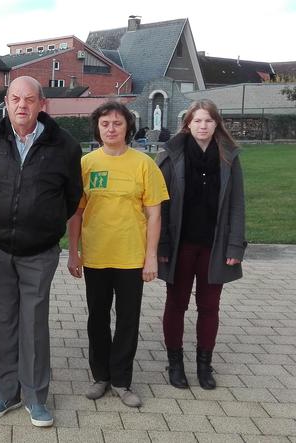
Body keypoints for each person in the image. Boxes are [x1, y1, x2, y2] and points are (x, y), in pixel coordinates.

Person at [0, 76, 82, 427]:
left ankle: (35, 397)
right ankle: (5, 392)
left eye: (30, 99)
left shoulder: (64, 145)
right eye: (15, 98)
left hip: (40, 250)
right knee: (1, 319)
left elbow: (72, 196)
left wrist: (44, 226)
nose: (22, 105)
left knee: (34, 321)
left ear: (42, 104)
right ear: (6, 102)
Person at [67, 101, 168, 408]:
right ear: (97, 128)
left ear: (128, 127)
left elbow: (154, 214)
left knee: (127, 320)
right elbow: (76, 214)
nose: (111, 128)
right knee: (97, 318)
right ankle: (101, 377)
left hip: (130, 257)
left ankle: (122, 380)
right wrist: (73, 252)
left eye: (117, 123)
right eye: (105, 124)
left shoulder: (143, 164)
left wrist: (151, 257)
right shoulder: (86, 165)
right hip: (96, 255)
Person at [157, 99, 246, 390]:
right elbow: (162, 205)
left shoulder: (229, 157)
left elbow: (236, 204)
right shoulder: (172, 155)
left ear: (216, 123)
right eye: (197, 121)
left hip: (214, 245)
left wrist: (235, 246)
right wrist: (163, 245)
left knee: (209, 307)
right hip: (181, 244)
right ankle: (176, 362)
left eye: (208, 120)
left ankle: (204, 365)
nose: (203, 126)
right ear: (188, 124)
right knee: (176, 304)